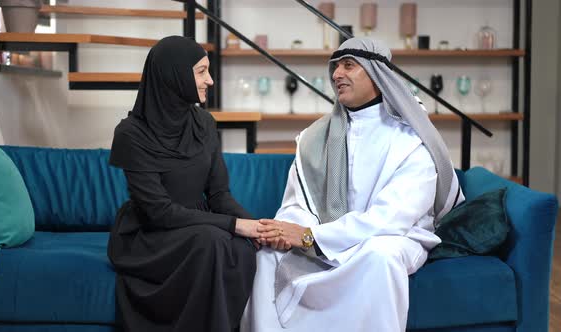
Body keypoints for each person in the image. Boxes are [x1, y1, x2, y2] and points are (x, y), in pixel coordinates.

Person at [241, 37, 465, 332]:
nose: (336, 75)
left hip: (392, 236)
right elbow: (297, 203)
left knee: (380, 257)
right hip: (324, 235)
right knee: (269, 256)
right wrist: (288, 231)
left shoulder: (412, 139)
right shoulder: (315, 137)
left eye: (349, 65)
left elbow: (392, 219)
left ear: (377, 74)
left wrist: (311, 238)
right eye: (335, 67)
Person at [107, 36, 269, 332]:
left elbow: (219, 195)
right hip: (151, 234)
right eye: (201, 71)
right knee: (213, 240)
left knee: (242, 247)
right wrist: (234, 225)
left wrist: (258, 226)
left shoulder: (204, 123)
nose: (210, 80)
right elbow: (159, 212)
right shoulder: (131, 134)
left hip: (198, 227)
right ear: (174, 75)